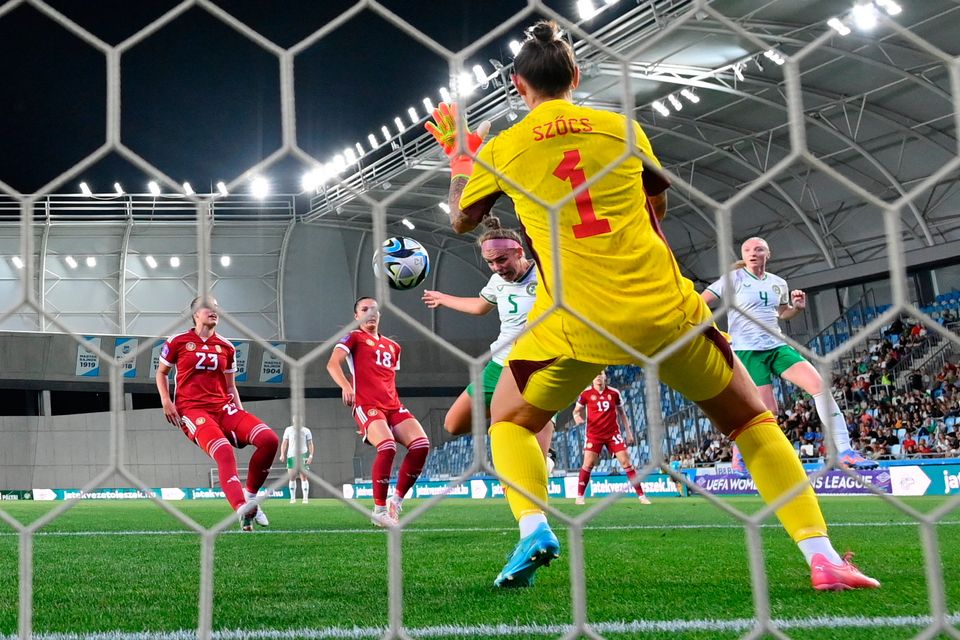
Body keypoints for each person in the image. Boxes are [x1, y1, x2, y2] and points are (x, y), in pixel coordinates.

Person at [426, 19, 878, 591]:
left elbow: (465, 219)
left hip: (576, 319)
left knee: (508, 423)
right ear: (577, 75)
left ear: (518, 85)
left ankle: (533, 527)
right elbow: (656, 207)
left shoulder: (504, 147)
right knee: (749, 422)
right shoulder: (622, 129)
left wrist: (462, 160)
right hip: (665, 309)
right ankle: (823, 556)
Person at [701, 237, 878, 471]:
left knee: (819, 386)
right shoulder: (732, 280)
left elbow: (782, 313)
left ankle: (845, 451)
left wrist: (797, 308)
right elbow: (701, 302)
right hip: (747, 351)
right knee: (767, 411)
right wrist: (712, 332)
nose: (752, 253)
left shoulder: (778, 283)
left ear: (768, 254)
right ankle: (739, 452)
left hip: (777, 346)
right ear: (742, 256)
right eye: (747, 250)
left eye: (758, 249)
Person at [421, 215, 554, 457]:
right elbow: (480, 306)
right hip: (499, 363)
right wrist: (443, 299)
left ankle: (540, 434)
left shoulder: (546, 275)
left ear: (518, 251)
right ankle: (516, 410)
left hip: (533, 364)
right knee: (453, 423)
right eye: (490, 263)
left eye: (501, 260)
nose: (497, 268)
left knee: (504, 430)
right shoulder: (496, 282)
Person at [156, 296, 279, 531]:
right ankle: (241, 507)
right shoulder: (178, 342)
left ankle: (250, 497)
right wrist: (166, 400)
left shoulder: (227, 347)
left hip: (224, 408)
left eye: (216, 307)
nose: (214, 311)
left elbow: (231, 386)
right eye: (208, 307)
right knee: (223, 451)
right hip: (192, 410)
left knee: (269, 440)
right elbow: (161, 373)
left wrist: (241, 416)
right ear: (194, 314)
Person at [326, 296, 431, 527]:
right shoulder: (353, 337)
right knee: (387, 446)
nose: (370, 313)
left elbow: (387, 379)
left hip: (393, 405)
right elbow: (332, 364)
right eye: (364, 309)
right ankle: (379, 510)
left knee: (421, 445)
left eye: (374, 310)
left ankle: (397, 501)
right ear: (356, 316)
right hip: (367, 405)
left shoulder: (394, 347)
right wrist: (346, 386)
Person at [572, 371, 650, 505]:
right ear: (592, 378)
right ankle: (580, 496)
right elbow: (576, 411)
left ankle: (642, 496)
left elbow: (622, 414)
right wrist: (576, 417)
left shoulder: (614, 393)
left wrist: (629, 432)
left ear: (605, 377)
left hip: (613, 434)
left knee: (626, 462)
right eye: (595, 375)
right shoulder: (585, 394)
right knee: (588, 464)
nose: (598, 377)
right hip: (594, 435)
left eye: (600, 374)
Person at [280, 424, 314, 504]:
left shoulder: (306, 430)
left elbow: (310, 444)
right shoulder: (288, 429)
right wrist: (282, 454)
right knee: (292, 477)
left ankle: (305, 499)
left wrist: (311, 455)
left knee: (304, 476)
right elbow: (284, 443)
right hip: (291, 455)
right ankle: (292, 498)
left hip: (303, 454)